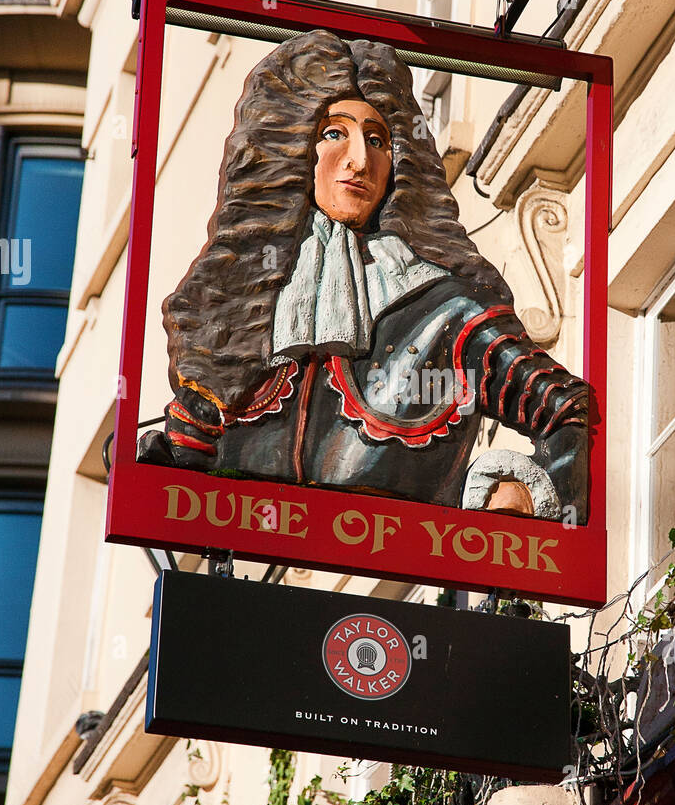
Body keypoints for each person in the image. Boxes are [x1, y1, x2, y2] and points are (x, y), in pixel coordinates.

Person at [139, 29, 589, 520]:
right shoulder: (237, 302)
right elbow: (188, 477)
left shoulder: (450, 311)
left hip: (402, 585)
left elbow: (567, 410)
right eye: (335, 133)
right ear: (290, 145)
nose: (359, 161)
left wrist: (520, 486)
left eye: (377, 140)